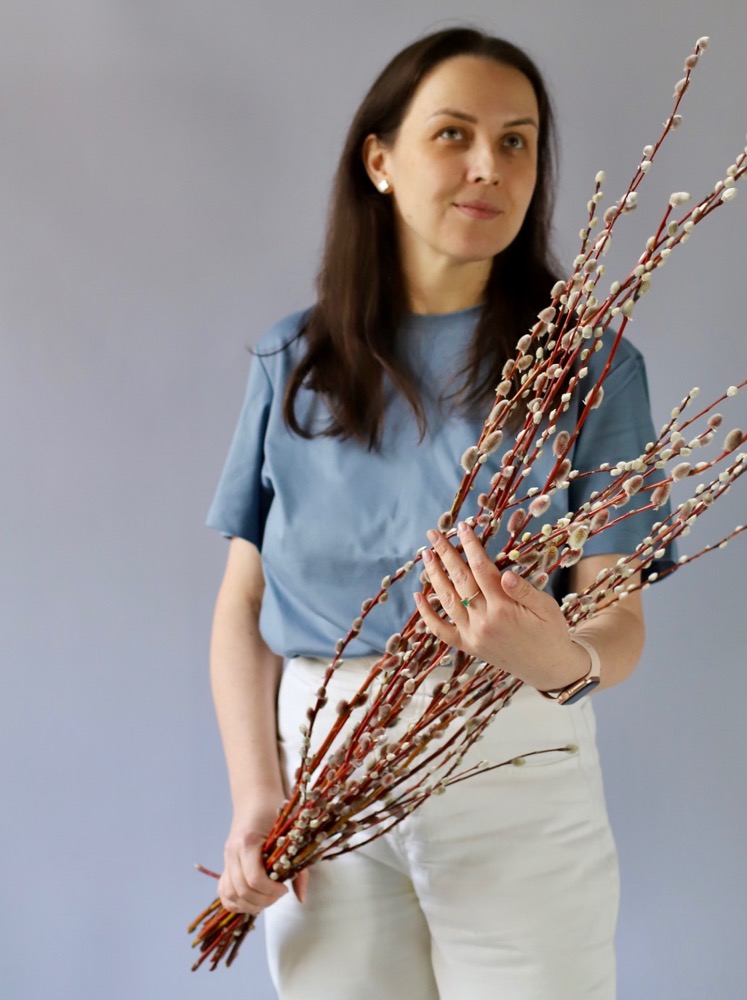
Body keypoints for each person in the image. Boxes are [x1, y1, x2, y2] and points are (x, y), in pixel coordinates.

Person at [207, 26, 668, 1000]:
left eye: (516, 141)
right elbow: (243, 608)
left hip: (507, 750)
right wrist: (256, 795)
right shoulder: (293, 365)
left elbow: (617, 617)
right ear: (378, 160)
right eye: (453, 133)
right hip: (322, 771)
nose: (487, 166)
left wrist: (561, 659)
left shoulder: (588, 369)